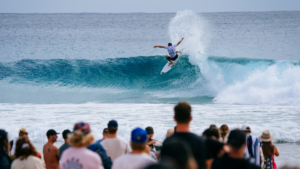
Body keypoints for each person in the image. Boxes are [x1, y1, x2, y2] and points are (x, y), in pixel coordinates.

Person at [163, 101, 212, 169]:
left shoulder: (168, 142)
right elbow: (208, 166)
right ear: (190, 118)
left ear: (174, 118)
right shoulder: (202, 142)